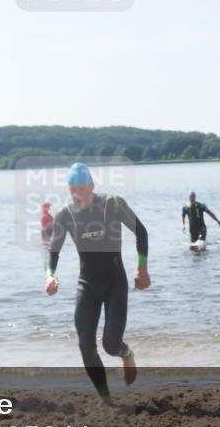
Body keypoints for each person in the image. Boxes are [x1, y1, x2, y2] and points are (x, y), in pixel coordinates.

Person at [44, 162, 150, 402]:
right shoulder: (65, 215)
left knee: (111, 344)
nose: (77, 194)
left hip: (115, 283)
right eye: (73, 189)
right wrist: (50, 275)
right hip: (87, 285)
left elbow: (141, 232)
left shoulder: (112, 204)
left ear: (92, 185)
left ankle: (127, 353)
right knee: (85, 345)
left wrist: (142, 268)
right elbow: (54, 249)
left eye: (82, 188)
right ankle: (106, 399)